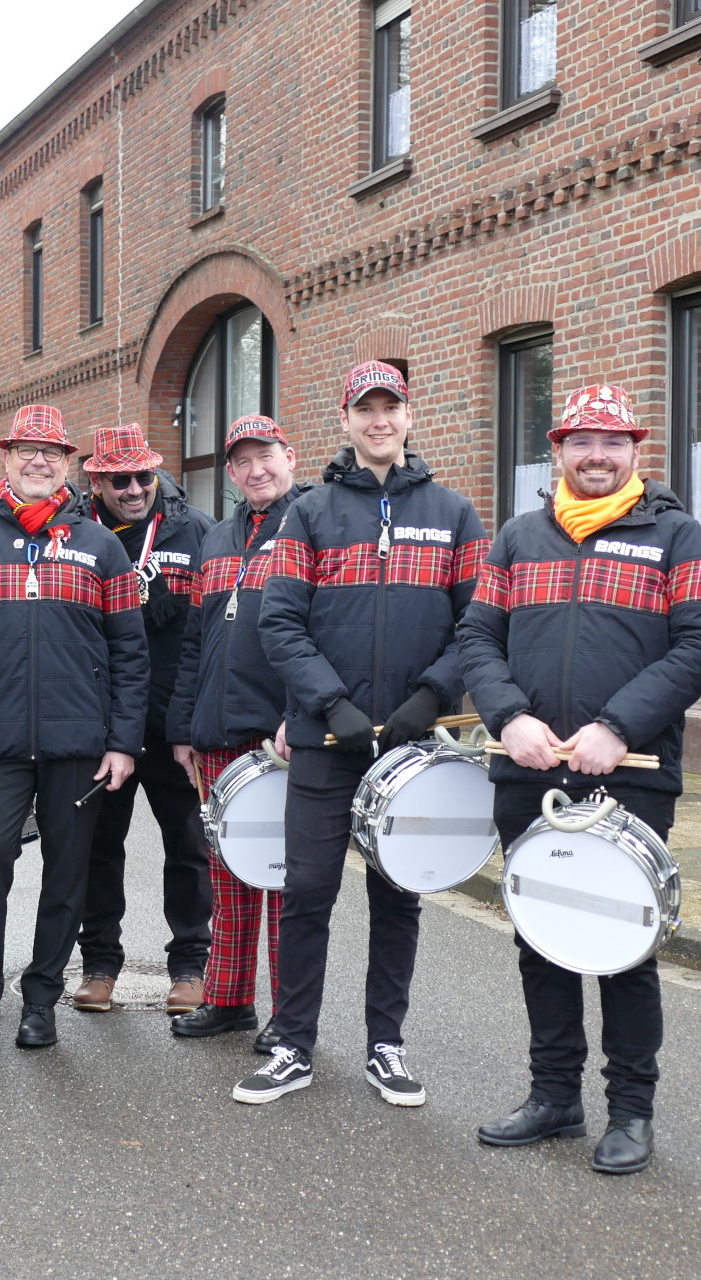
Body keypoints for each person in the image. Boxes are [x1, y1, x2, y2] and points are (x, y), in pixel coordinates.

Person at [459, 383, 701, 1176]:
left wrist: (618, 726)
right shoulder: (518, 539)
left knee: (623, 942)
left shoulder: (678, 536)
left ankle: (631, 1111)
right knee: (541, 935)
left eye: (613, 442)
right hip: (528, 770)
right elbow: (478, 637)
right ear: (559, 451)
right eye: (582, 442)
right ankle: (554, 1097)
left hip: (629, 775)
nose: (598, 456)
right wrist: (509, 717)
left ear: (636, 451)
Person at [236, 361, 487, 1108]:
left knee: (398, 892)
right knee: (307, 891)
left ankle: (386, 1045)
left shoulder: (454, 514)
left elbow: (478, 623)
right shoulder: (309, 514)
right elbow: (280, 622)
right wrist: (329, 703)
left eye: (391, 407)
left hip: (413, 740)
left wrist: (431, 695)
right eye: (365, 409)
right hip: (326, 738)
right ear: (345, 420)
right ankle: (293, 1044)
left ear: (409, 416)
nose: (379, 420)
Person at [0, 403, 148, 1054]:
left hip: (80, 740)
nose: (39, 461)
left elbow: (130, 651)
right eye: (27, 450)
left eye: (52, 452)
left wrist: (123, 741)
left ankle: (41, 1001)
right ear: (8, 457)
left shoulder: (101, 545)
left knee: (68, 872)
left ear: (68, 463)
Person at [166, 415, 307, 1048]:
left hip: (280, 739)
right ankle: (228, 1000)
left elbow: (321, 633)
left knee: (282, 880)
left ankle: (288, 1015)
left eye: (266, 456)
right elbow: (194, 642)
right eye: (243, 461)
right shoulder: (218, 537)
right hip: (217, 735)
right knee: (227, 875)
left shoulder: (311, 524)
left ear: (289, 457)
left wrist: (302, 713)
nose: (256, 470)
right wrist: (184, 726)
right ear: (230, 472)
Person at [72, 424, 215, 1015]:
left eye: (143, 477)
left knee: (188, 848)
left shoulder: (195, 530)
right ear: (96, 482)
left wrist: (194, 719)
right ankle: (100, 964)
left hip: (172, 723)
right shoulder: (73, 533)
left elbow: (210, 632)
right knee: (99, 849)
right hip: (102, 726)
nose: (134, 489)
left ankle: (190, 966)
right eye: (119, 480)